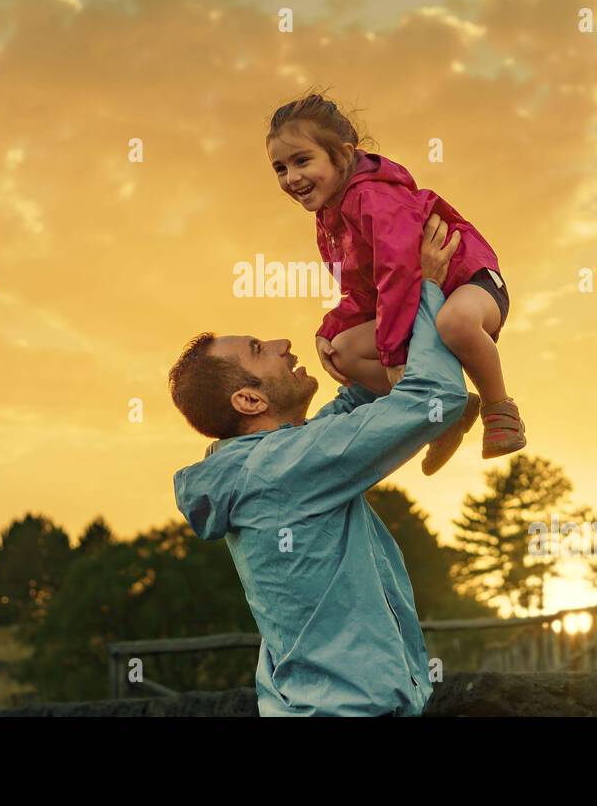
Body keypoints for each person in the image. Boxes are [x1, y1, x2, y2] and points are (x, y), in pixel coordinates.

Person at [167, 216, 467, 716]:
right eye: (260, 350)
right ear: (247, 399)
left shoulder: (269, 462)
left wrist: (381, 307)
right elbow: (434, 398)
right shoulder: (281, 466)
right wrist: (429, 290)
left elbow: (357, 409)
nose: (285, 344)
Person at [265, 91, 526, 473]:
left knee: (455, 321)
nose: (292, 177)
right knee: (342, 352)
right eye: (280, 168)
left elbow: (399, 272)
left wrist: (393, 355)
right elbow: (362, 291)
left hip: (468, 283)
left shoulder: (374, 197)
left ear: (343, 153)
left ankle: (499, 407)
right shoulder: (329, 219)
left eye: (302, 160)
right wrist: (330, 327)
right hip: (418, 304)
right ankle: (446, 414)